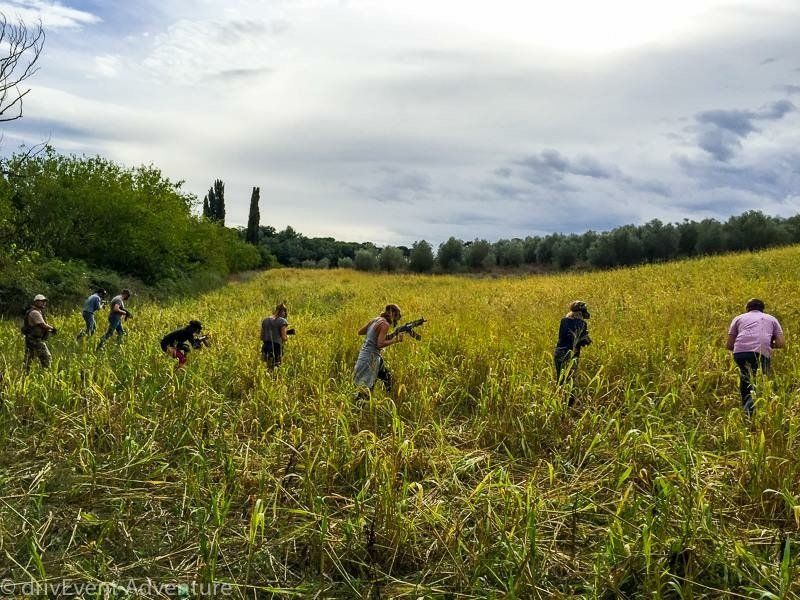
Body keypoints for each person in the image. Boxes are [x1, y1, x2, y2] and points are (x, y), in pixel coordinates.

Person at [726, 298, 785, 416]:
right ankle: (751, 412)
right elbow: (781, 343)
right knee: (759, 382)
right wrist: (769, 343)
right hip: (761, 352)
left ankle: (745, 410)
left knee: (745, 379)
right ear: (762, 309)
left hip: (740, 353)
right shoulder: (771, 319)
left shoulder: (738, 318)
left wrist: (744, 346)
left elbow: (729, 345)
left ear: (747, 309)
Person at [353, 303, 404, 396]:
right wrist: (395, 340)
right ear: (392, 313)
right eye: (396, 316)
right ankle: (359, 408)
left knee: (387, 378)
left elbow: (360, 332)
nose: (395, 320)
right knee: (366, 390)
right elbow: (379, 344)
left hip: (364, 355)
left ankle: (391, 397)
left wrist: (393, 334)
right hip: (371, 358)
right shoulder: (385, 324)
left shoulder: (375, 320)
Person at [554, 300, 592, 407]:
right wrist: (586, 339)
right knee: (570, 380)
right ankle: (568, 405)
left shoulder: (564, 321)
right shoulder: (582, 323)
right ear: (581, 312)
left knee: (560, 380)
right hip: (571, 355)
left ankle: (559, 403)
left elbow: (564, 336)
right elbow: (584, 341)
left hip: (559, 352)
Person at [22, 294, 56, 371]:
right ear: (36, 302)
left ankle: (25, 374)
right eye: (42, 301)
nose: (44, 303)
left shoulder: (38, 311)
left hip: (31, 338)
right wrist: (53, 329)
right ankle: (46, 373)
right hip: (35, 339)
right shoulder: (35, 312)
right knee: (46, 356)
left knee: (29, 357)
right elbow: (42, 324)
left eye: (45, 301)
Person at [261, 302, 290, 368]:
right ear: (282, 311)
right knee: (277, 368)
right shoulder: (282, 321)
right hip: (276, 348)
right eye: (284, 311)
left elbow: (261, 337)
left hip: (265, 347)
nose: (285, 314)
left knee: (268, 368)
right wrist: (287, 336)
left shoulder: (265, 320)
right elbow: (284, 338)